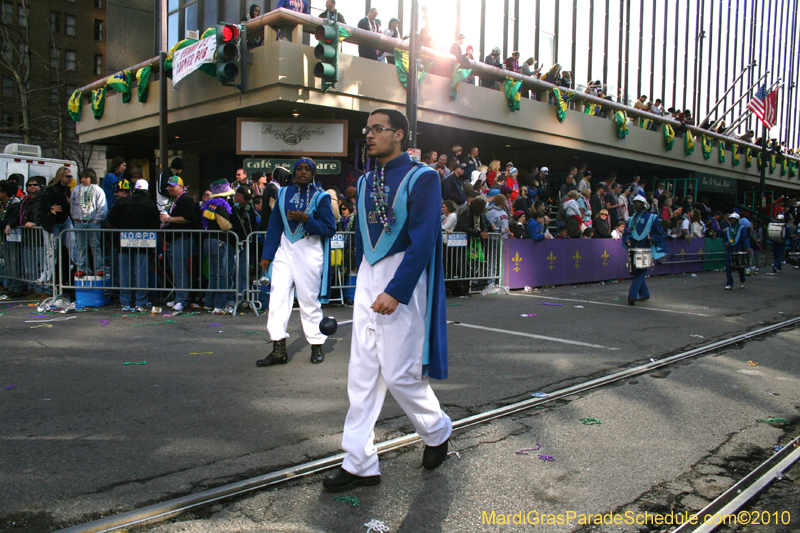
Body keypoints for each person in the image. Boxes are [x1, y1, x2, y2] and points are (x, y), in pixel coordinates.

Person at [323, 108, 451, 493]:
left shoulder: (424, 176)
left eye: (378, 129)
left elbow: (425, 239)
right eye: (368, 129)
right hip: (369, 273)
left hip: (405, 278)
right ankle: (359, 462)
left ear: (399, 135)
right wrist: (364, 278)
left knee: (399, 372)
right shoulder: (365, 182)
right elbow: (363, 237)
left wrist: (396, 289)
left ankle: (438, 429)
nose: (370, 135)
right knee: (362, 372)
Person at [257, 158, 336, 367]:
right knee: (277, 300)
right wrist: (267, 255)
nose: (303, 172)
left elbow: (329, 228)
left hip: (309, 249)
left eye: (307, 169)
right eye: (299, 169)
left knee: (308, 300)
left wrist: (306, 219)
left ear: (313, 173)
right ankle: (278, 349)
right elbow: (274, 226)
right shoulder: (282, 193)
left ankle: (317, 344)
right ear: (293, 173)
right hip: (284, 249)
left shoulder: (321, 197)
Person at [108, 179, 160, 312]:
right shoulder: (150, 204)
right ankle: (140, 301)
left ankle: (125, 301)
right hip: (144, 242)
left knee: (125, 271)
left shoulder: (123, 202)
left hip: (124, 240)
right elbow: (155, 224)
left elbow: (111, 219)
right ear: (147, 190)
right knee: (141, 272)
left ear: (134, 189)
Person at [160, 176, 199, 314]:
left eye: (173, 186)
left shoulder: (186, 200)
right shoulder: (173, 200)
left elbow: (189, 217)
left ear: (181, 187)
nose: (170, 188)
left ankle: (182, 299)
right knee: (176, 271)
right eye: (169, 186)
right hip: (173, 240)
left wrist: (170, 219)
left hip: (182, 240)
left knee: (180, 271)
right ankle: (178, 297)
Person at [622, 195, 667, 305]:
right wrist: (627, 239)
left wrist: (653, 238)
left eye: (638, 202)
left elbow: (659, 233)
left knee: (640, 271)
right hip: (633, 247)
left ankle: (632, 296)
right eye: (634, 202)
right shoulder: (631, 218)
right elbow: (626, 233)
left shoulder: (652, 217)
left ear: (643, 204)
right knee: (635, 271)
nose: (636, 204)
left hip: (645, 246)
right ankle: (645, 293)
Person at [70, 168, 107, 277]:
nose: (83, 179)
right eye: (82, 177)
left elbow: (102, 206)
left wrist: (97, 220)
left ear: (91, 178)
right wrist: (75, 217)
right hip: (79, 222)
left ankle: (99, 268)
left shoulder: (97, 190)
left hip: (92, 222)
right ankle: (82, 268)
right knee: (81, 246)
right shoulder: (76, 190)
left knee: (95, 246)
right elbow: (72, 205)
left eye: (86, 177)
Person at [723, 212, 752, 289]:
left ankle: (743, 279)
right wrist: (726, 243)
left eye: (734, 219)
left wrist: (747, 247)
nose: (732, 220)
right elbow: (725, 239)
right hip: (730, 249)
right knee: (728, 267)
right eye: (731, 219)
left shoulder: (742, 228)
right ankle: (729, 283)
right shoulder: (727, 229)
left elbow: (745, 239)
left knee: (740, 267)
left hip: (738, 249)